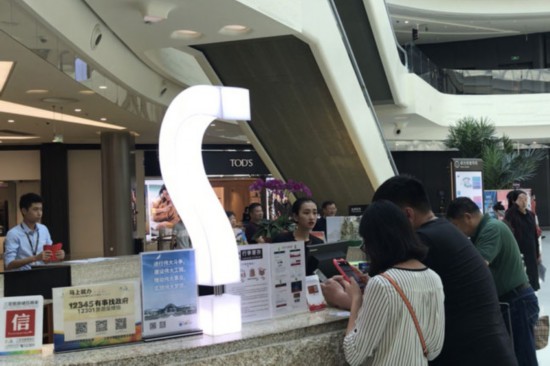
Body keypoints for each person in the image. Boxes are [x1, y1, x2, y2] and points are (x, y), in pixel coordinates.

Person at [322, 175, 517, 366]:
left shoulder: (424, 241)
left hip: (469, 354)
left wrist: (347, 299)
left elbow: (392, 310)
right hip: (487, 350)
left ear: (407, 215)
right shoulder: (444, 230)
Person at [334, 200, 444, 365]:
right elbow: (434, 350)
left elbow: (354, 354)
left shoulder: (382, 285)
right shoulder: (434, 278)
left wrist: (356, 300)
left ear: (376, 243)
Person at [447, 197, 539, 366]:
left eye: (455, 226)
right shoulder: (483, 232)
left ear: (467, 217)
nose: (456, 232)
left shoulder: (491, 229)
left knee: (523, 358)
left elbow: (477, 267)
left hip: (517, 302)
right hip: (513, 301)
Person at [4, 193, 65, 270]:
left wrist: (58, 256)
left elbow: (49, 258)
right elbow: (9, 264)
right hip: (21, 278)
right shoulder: (13, 233)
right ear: (24, 211)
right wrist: (35, 258)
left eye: (41, 209)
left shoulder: (43, 229)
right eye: (35, 209)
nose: (39, 213)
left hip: (42, 275)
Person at [505, 190, 541, 291]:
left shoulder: (530, 215)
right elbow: (507, 219)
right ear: (514, 201)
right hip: (518, 251)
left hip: (531, 250)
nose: (524, 201)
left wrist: (537, 253)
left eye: (526, 199)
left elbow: (534, 235)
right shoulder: (511, 214)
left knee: (532, 278)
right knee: (520, 279)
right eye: (521, 199)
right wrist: (515, 206)